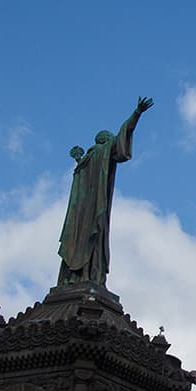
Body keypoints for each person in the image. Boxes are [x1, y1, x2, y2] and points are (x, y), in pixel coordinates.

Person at [57, 97, 153, 286]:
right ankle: (87, 274)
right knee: (94, 238)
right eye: (110, 138)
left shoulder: (86, 161)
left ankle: (78, 275)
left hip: (82, 216)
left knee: (86, 240)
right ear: (106, 141)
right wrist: (137, 113)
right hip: (91, 211)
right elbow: (125, 132)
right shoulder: (99, 155)